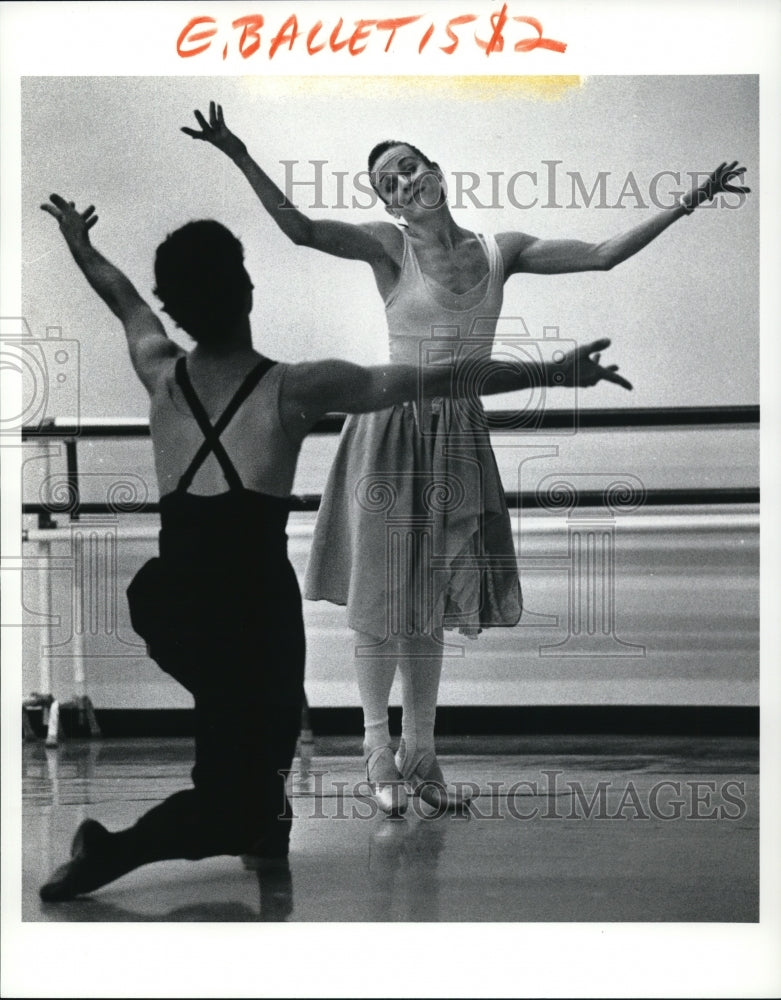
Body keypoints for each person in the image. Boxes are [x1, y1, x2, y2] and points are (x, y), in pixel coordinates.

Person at [37, 194, 628, 900]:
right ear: (248, 290)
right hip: (248, 603)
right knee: (240, 771)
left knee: (258, 726)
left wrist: (80, 243)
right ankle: (109, 851)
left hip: (170, 600)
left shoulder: (158, 368)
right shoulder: (297, 386)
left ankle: (262, 819)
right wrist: (553, 373)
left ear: (177, 311)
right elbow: (436, 378)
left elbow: (123, 299)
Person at [182, 102, 748, 815]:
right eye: (390, 178)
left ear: (435, 171)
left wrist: (688, 202)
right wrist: (236, 149)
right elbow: (299, 231)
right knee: (384, 599)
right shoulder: (387, 248)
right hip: (390, 425)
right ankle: (374, 750)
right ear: (384, 200)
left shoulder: (497, 247)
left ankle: (421, 752)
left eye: (410, 165)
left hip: (457, 436)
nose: (405, 180)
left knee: (431, 603)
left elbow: (603, 254)